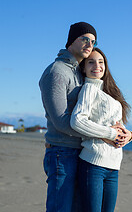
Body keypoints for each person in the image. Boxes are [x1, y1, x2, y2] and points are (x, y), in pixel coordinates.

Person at [39, 22, 126, 212]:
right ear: (71, 41)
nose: (89, 44)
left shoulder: (78, 72)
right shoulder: (57, 72)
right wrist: (104, 134)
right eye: (84, 39)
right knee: (59, 208)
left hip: (80, 152)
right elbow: (61, 121)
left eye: (93, 41)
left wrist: (123, 134)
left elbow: (97, 117)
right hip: (61, 153)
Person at [70, 47, 132, 212]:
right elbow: (77, 121)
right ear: (83, 67)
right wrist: (111, 134)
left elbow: (116, 123)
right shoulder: (89, 88)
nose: (97, 66)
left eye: (101, 62)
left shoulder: (108, 92)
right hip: (93, 164)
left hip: (113, 165)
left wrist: (129, 135)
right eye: (91, 62)